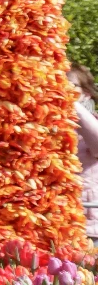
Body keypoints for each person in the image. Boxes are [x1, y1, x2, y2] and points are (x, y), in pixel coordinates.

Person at [71, 65, 98, 239]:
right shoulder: (49, 126)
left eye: (71, 85)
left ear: (86, 93)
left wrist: (71, 103)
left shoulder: (93, 121)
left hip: (89, 225)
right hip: (59, 222)